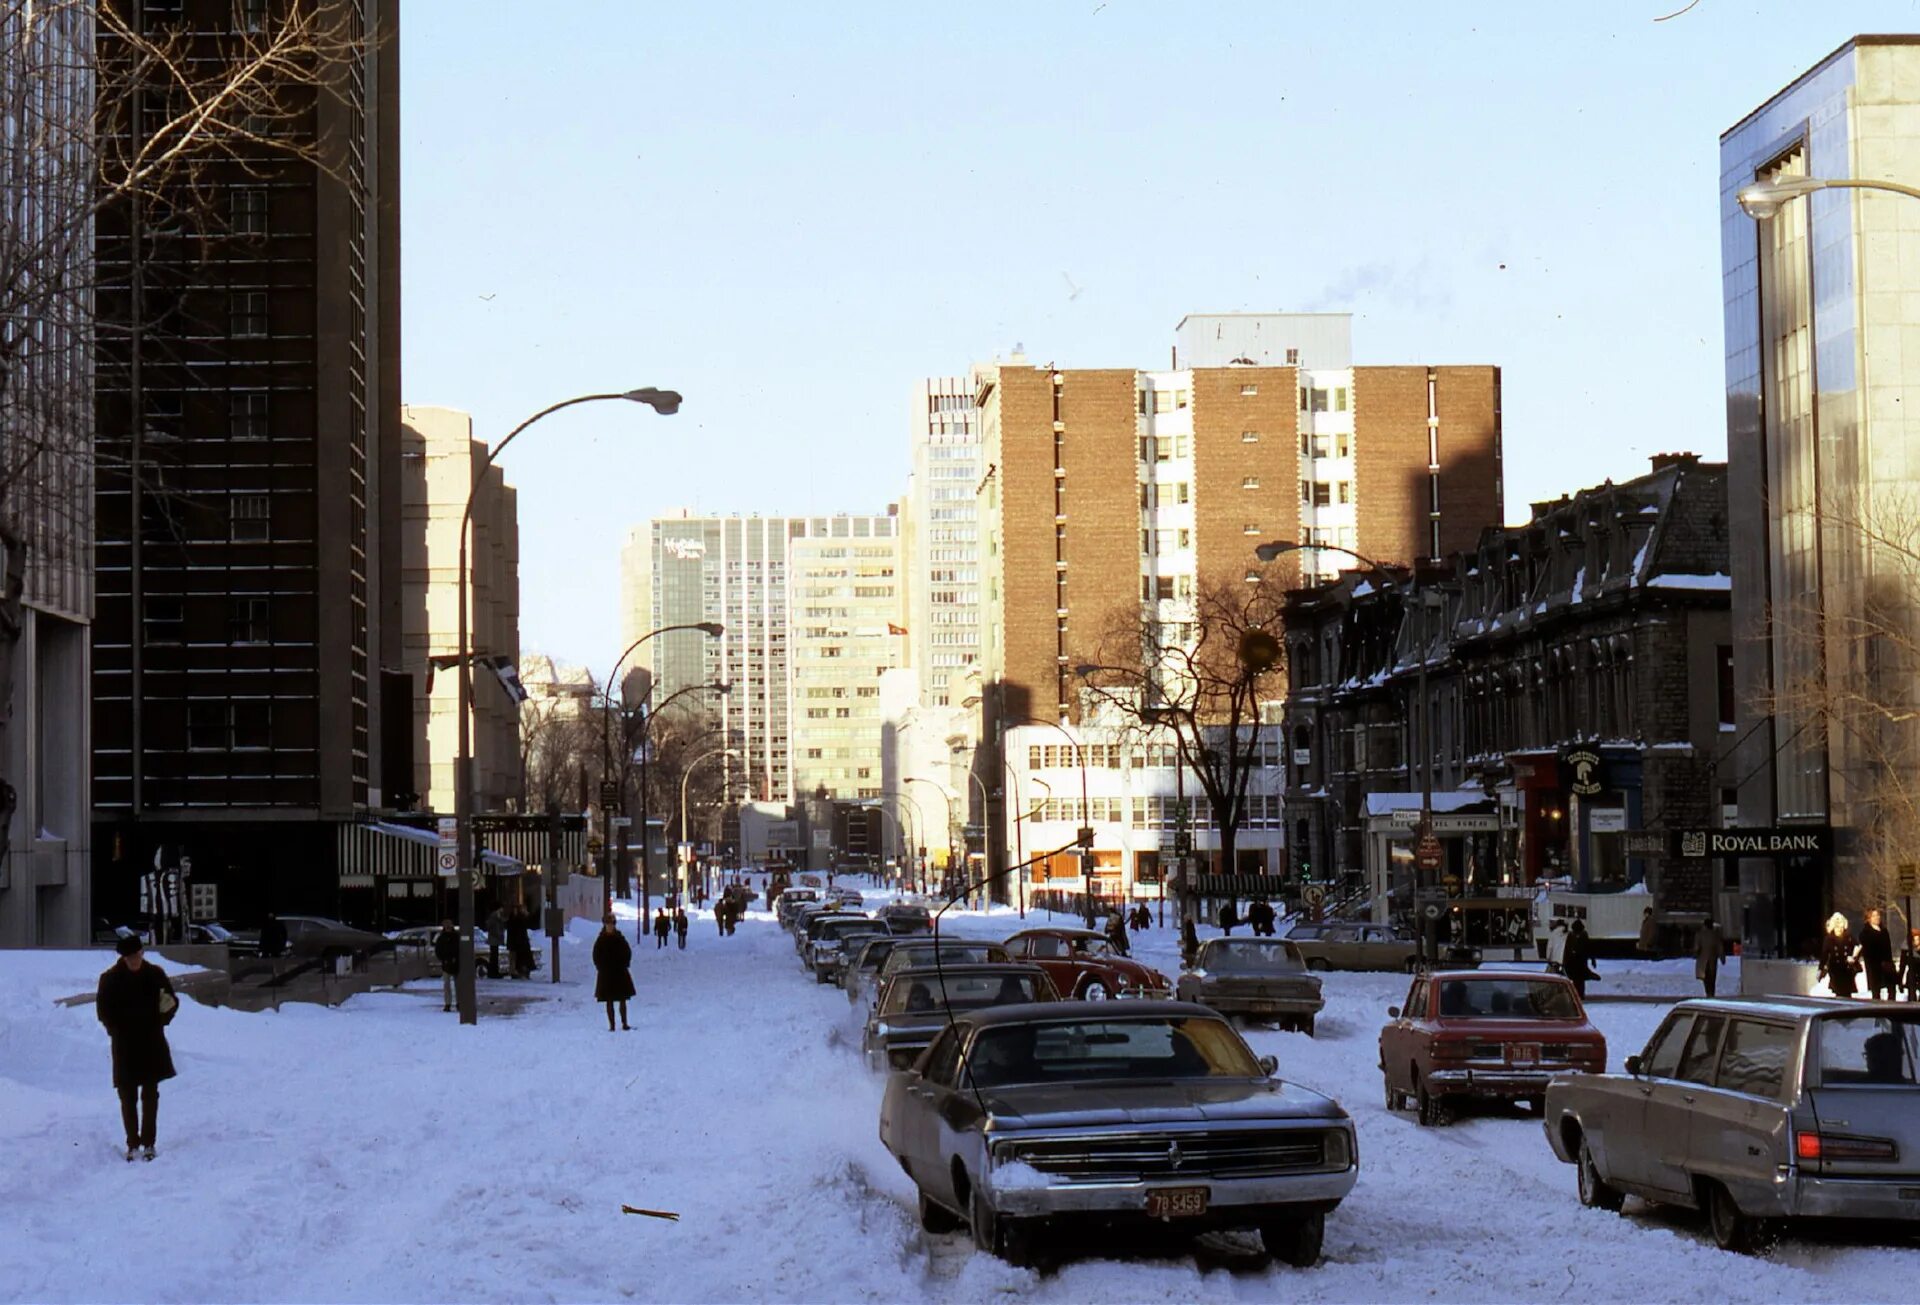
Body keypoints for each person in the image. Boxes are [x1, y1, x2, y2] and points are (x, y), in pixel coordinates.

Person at [96, 936, 179, 1162]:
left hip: (151, 1040)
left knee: (150, 1094)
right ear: (123, 958)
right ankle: (132, 1143)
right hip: (124, 1044)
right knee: (127, 1094)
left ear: (142, 953)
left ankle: (149, 1142)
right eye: (130, 957)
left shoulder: (155, 975)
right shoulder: (110, 979)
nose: (134, 961)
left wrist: (162, 1020)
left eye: (137, 955)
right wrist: (115, 1030)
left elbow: (171, 1001)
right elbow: (103, 1010)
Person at [592, 914, 635, 1031]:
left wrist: (625, 963)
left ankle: (624, 1023)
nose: (610, 926)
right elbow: (596, 955)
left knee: (622, 1000)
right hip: (606, 974)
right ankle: (612, 1025)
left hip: (620, 972)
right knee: (609, 1000)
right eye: (608, 924)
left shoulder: (620, 938)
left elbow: (627, 952)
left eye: (612, 924)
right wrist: (600, 967)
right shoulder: (601, 940)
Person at [1856, 908, 1896, 1001]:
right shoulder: (1865, 933)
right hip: (1874, 966)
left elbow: (1888, 949)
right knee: (1876, 991)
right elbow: (1868, 952)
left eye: (1878, 915)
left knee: (1891, 988)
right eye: (1874, 916)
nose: (1877, 917)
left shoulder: (1884, 931)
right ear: (1869, 918)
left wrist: (1889, 963)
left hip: (1887, 964)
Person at [1818, 912, 1858, 998]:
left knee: (1847, 993)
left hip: (1847, 970)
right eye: (1837, 926)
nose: (1839, 929)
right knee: (1839, 993)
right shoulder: (1829, 939)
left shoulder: (1849, 937)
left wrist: (1853, 957)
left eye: (1841, 926)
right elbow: (1824, 955)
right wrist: (1820, 969)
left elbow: (1857, 947)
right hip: (1835, 970)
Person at [1562, 919, 1598, 1000]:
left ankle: (1577, 995)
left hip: (1574, 962)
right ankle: (1580, 994)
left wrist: (1565, 961)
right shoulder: (1583, 934)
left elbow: (1567, 949)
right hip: (1580, 961)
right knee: (1580, 980)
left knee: (1576, 979)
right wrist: (1592, 959)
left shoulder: (1571, 935)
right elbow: (1589, 947)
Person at [432, 919, 460, 1012]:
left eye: (449, 925)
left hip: (456, 964)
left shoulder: (457, 936)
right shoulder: (441, 938)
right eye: (446, 925)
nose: (448, 926)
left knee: (458, 985)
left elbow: (460, 949)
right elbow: (438, 951)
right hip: (446, 964)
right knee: (447, 985)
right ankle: (448, 1004)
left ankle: (458, 1003)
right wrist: (443, 959)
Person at [1695, 917, 1725, 998]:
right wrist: (1722, 958)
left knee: (1706, 977)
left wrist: (1696, 953)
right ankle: (1712, 993)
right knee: (1712, 977)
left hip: (1703, 959)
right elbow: (1720, 947)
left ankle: (1708, 992)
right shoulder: (1715, 935)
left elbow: (1697, 947)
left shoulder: (1700, 934)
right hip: (1712, 959)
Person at [506, 906, 533, 980]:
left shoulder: (515, 920)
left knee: (516, 958)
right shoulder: (518, 920)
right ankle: (518, 972)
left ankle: (516, 971)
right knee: (520, 958)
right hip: (520, 943)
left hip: (518, 943)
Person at [484, 906, 505, 975]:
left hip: (494, 939)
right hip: (494, 939)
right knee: (494, 957)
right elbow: (494, 928)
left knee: (494, 956)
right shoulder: (494, 917)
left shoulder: (496, 917)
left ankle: (494, 971)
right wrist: (499, 935)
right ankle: (493, 972)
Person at [1901, 930, 1920, 1003]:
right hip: (1912, 976)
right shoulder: (1907, 951)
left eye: (1918, 939)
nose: (1916, 942)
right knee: (1912, 997)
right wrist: (1900, 981)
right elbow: (1902, 965)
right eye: (1914, 939)